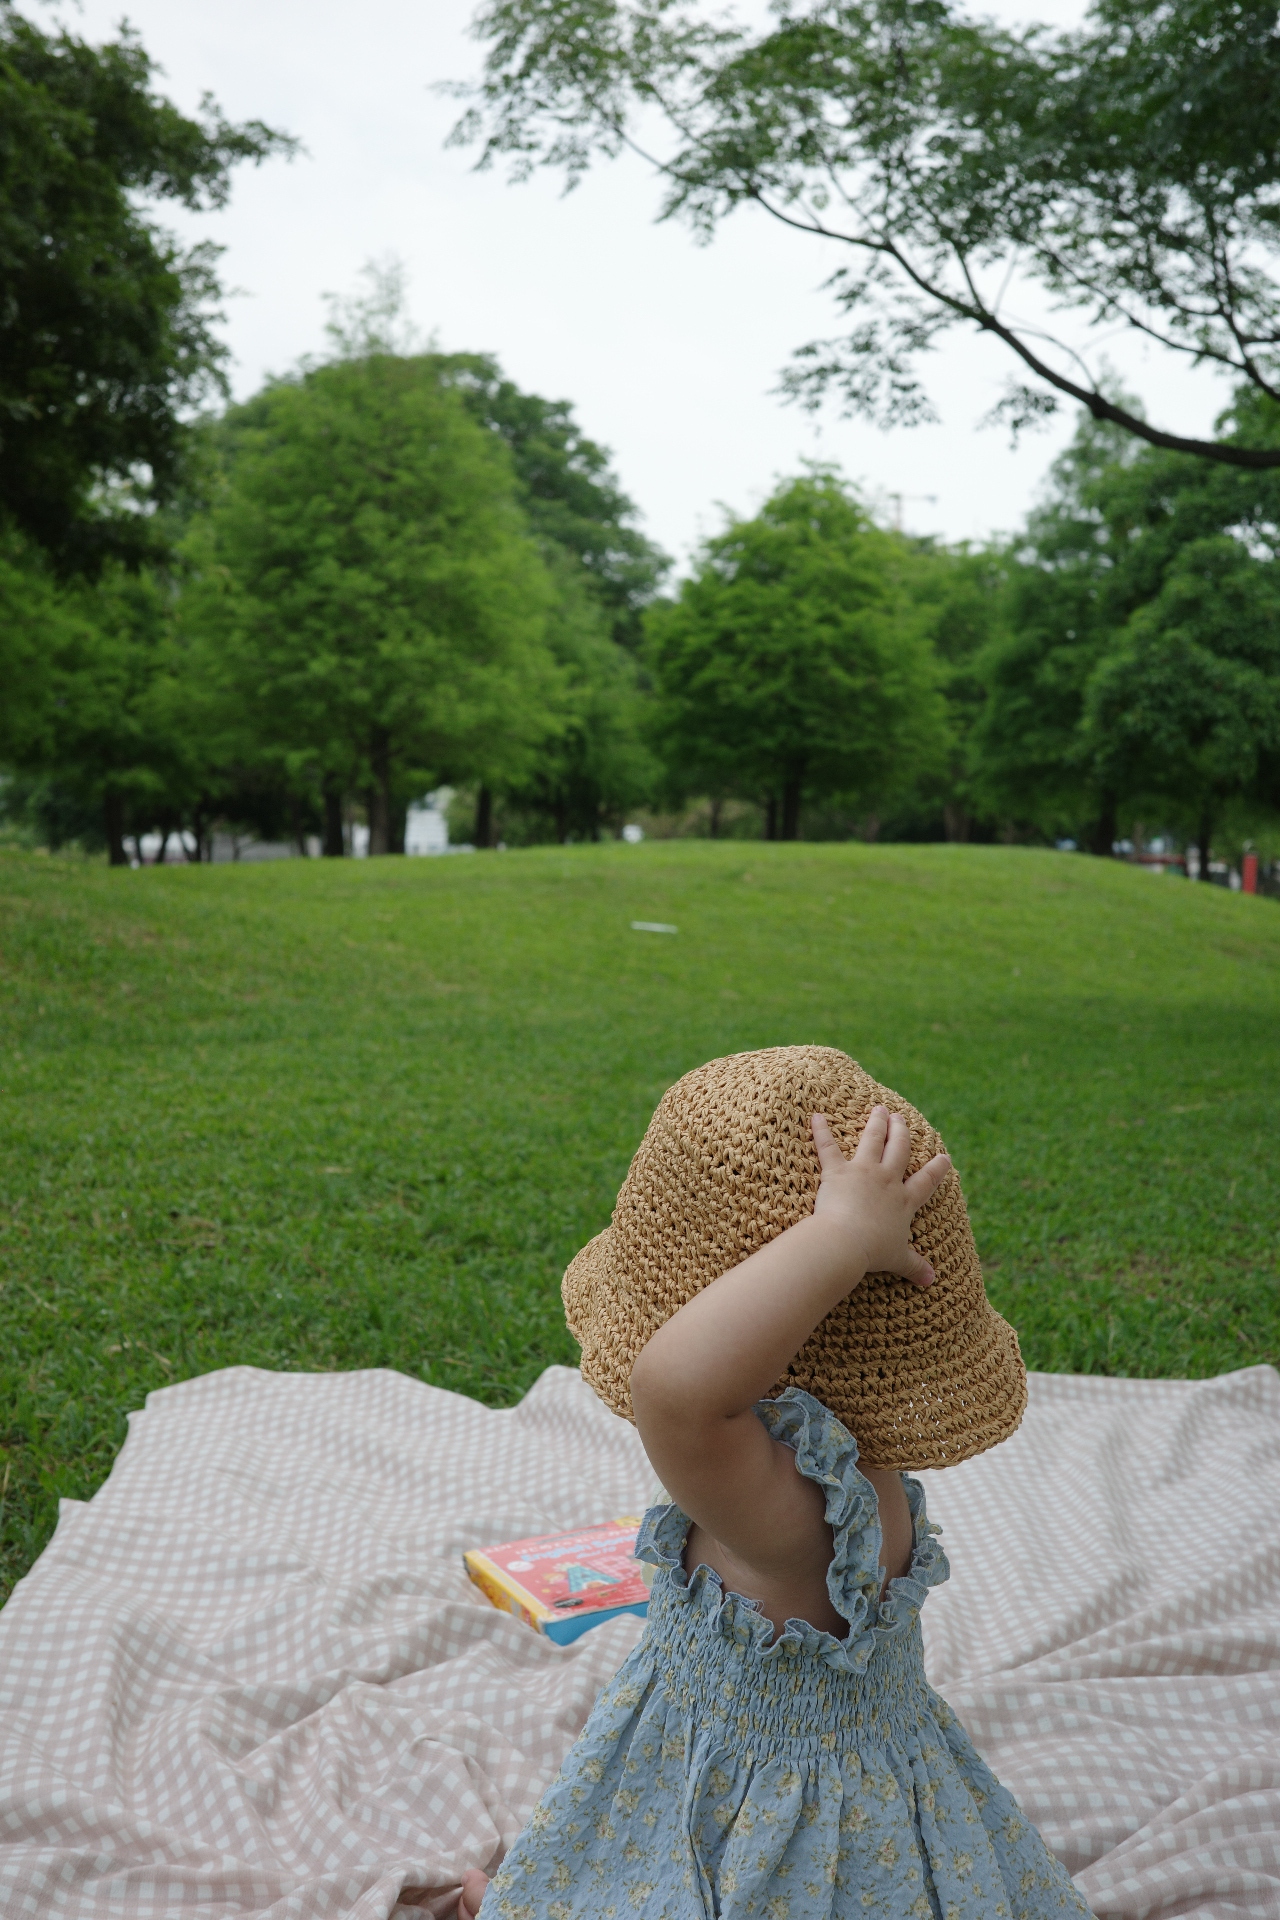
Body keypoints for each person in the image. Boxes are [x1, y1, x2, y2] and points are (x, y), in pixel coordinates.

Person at [457, 1045, 1090, 1920]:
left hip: (748, 1841)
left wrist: (834, 1240)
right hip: (868, 1805)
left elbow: (672, 1391)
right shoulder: (858, 1467)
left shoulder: (783, 1510)